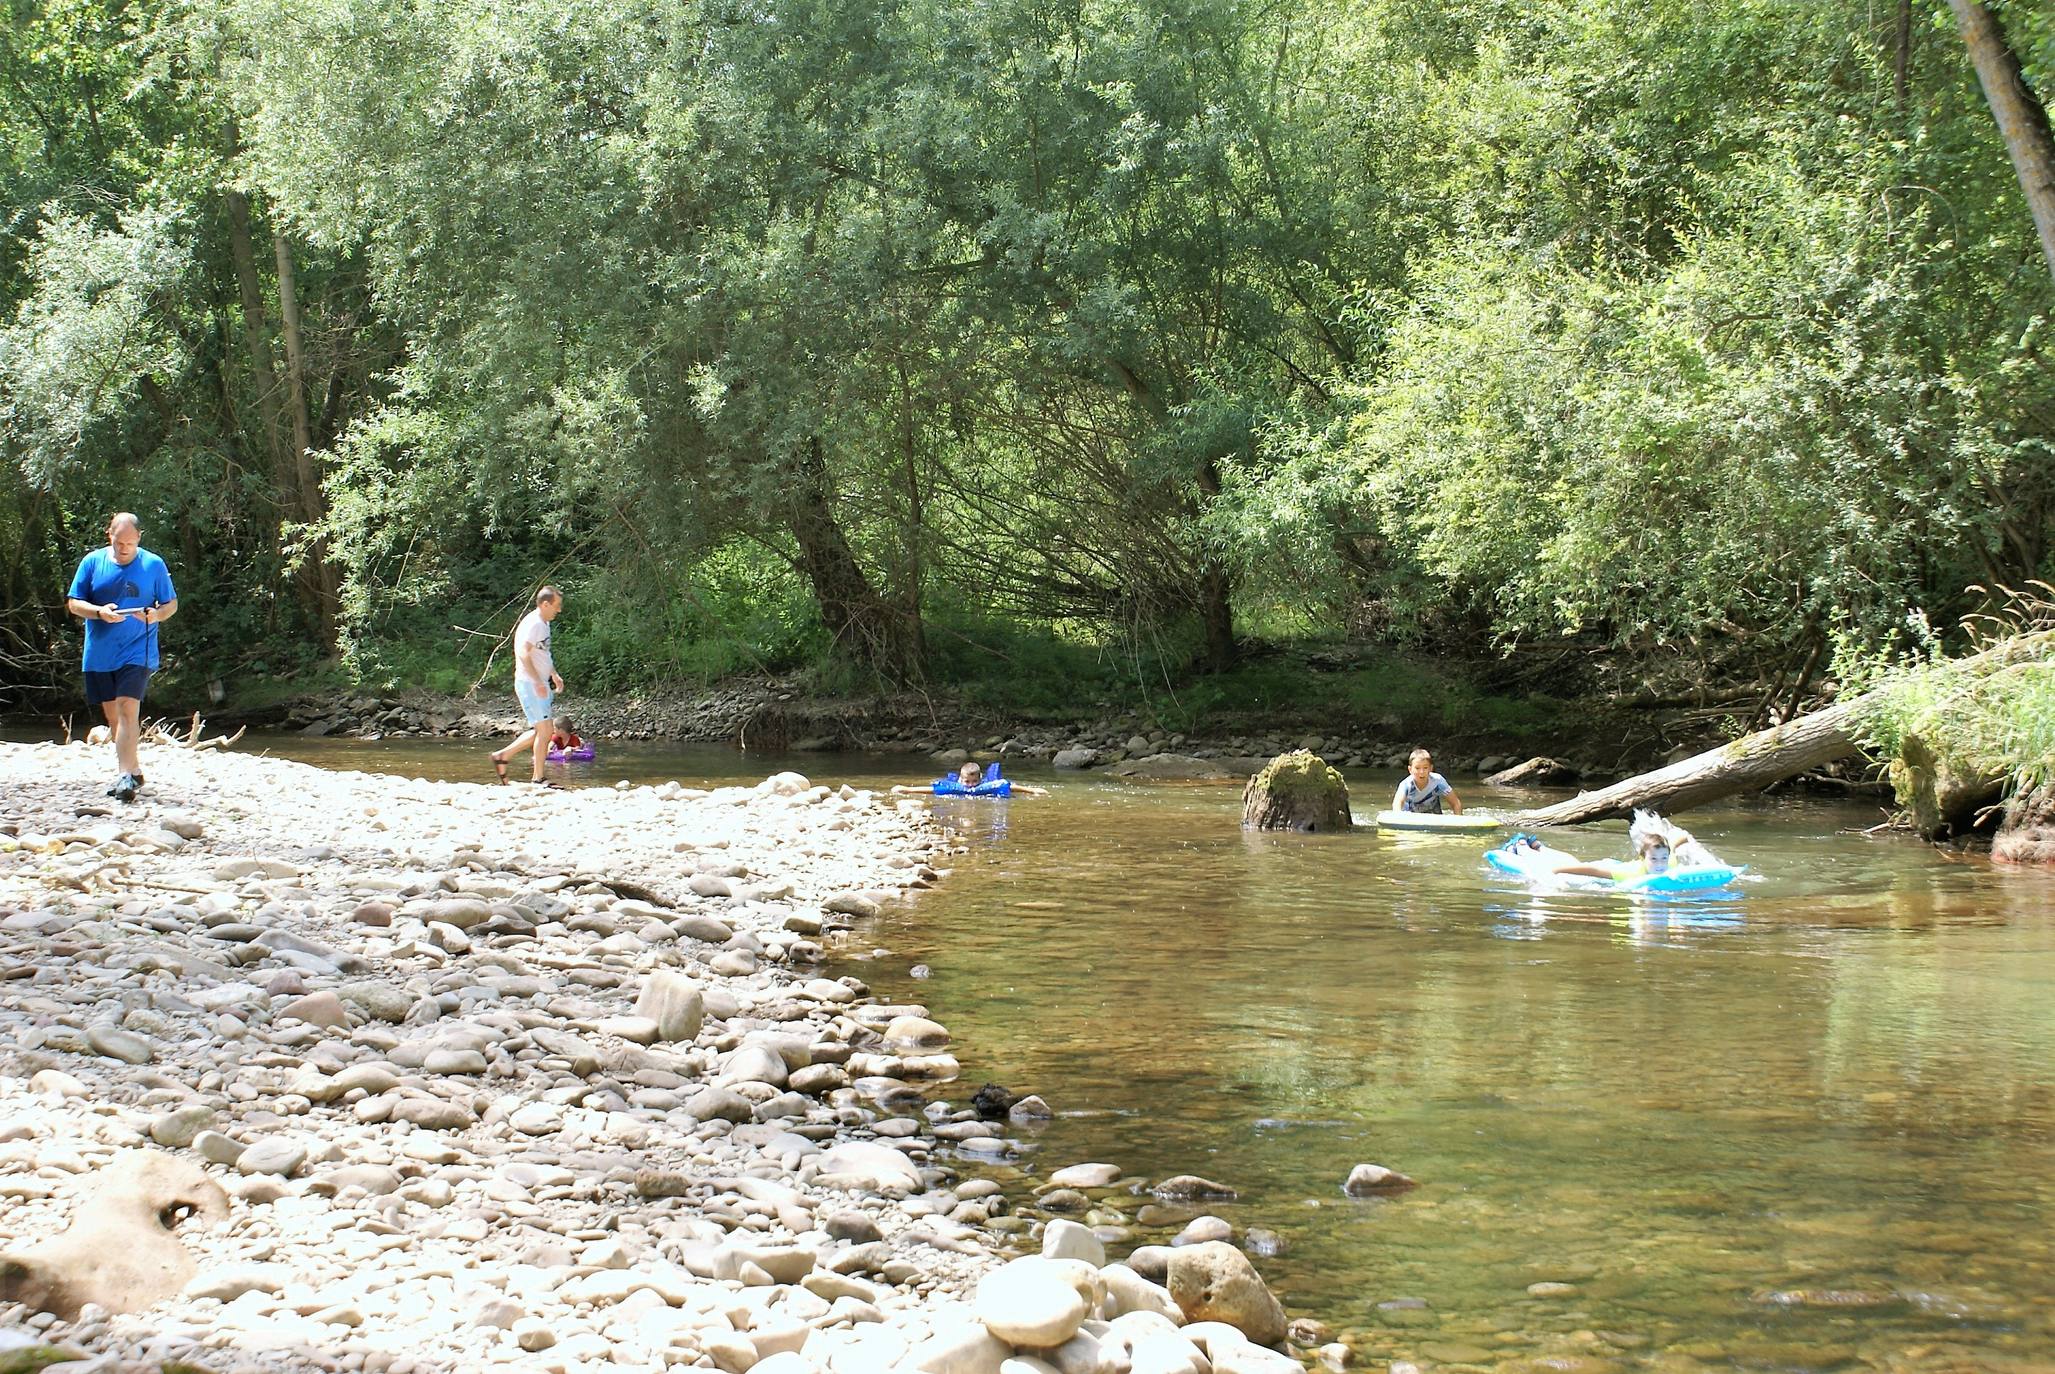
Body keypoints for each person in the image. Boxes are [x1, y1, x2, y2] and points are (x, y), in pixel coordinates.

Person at [65, 513, 176, 802]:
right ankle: (134, 770)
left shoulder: (153, 564)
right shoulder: (92, 563)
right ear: (108, 535)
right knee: (114, 717)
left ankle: (124, 776)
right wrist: (99, 612)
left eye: (130, 542)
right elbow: (74, 603)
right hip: (100, 653)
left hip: (139, 649)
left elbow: (170, 604)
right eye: (119, 542)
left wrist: (155, 615)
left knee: (128, 708)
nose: (124, 548)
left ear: (139, 537)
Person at [489, 586, 565, 785]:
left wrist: (553, 674)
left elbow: (542, 653)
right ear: (545, 604)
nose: (559, 610)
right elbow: (523, 653)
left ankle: (502, 756)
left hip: (538, 683)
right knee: (546, 731)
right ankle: (538, 778)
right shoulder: (535, 624)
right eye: (557, 606)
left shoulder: (544, 622)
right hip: (530, 684)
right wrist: (538, 681)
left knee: (545, 731)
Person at [891, 761, 1049, 798]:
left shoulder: (989, 786)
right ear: (960, 780)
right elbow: (931, 790)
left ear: (980, 779)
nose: (971, 786)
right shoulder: (954, 787)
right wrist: (908, 789)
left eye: (974, 782)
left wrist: (1032, 790)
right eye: (967, 782)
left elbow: (1012, 787)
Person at [1391, 748, 1462, 814]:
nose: (1421, 772)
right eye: (1417, 768)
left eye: (1425, 768)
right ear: (1410, 769)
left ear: (1431, 768)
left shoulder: (1438, 781)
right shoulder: (1406, 784)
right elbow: (1397, 803)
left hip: (1434, 817)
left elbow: (1455, 803)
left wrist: (1458, 823)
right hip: (1411, 818)